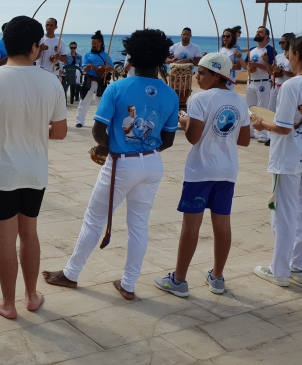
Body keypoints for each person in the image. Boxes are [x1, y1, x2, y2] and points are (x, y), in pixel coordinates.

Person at [42, 29, 179, 301]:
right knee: (139, 225)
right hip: (153, 163)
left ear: (131, 57)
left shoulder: (117, 88)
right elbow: (168, 139)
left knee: (94, 219)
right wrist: (144, 149)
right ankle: (128, 284)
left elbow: (97, 132)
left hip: (122, 163)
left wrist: (113, 147)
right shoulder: (170, 94)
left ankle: (71, 273)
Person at [0, 15, 67, 319]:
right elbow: (60, 132)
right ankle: (31, 296)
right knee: (30, 233)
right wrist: (35, 129)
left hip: (1, 171)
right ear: (36, 46)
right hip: (34, 170)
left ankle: (8, 304)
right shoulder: (51, 81)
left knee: (6, 239)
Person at [154, 53, 251, 297]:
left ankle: (179, 280)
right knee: (222, 225)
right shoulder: (239, 101)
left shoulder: (199, 99)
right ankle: (217, 277)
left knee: (191, 226)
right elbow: (244, 140)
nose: (196, 76)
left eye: (202, 72)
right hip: (227, 172)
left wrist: (185, 121)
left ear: (217, 76)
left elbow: (193, 138)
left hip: (200, 172)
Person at [252, 36, 302, 288]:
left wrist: (261, 124)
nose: (288, 58)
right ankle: (298, 265)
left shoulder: (292, 86)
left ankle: (279, 270)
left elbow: (283, 127)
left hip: (289, 158)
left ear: (297, 55)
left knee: (283, 214)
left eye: (290, 54)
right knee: (299, 213)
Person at [242, 26, 275, 143]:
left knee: (262, 108)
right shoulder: (252, 50)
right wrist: (241, 59)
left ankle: (263, 134)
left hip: (263, 82)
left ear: (267, 37)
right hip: (251, 81)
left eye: (260, 32)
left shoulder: (270, 50)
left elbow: (272, 70)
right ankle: (250, 131)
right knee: (249, 108)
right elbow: (245, 65)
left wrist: (257, 65)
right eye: (257, 31)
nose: (257, 33)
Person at [75, 31, 114, 128]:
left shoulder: (106, 55)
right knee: (84, 101)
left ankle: (101, 123)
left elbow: (112, 68)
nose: (93, 45)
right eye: (92, 43)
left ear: (100, 43)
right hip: (89, 80)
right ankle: (79, 121)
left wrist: (106, 68)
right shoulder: (88, 55)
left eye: (95, 43)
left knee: (101, 103)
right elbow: (84, 69)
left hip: (101, 82)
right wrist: (88, 67)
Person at [269, 33, 296, 113]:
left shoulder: (294, 58)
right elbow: (273, 72)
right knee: (271, 111)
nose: (281, 44)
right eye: (280, 42)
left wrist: (281, 71)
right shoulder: (278, 57)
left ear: (289, 42)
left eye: (283, 42)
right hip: (275, 87)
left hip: (286, 89)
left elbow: (295, 74)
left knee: (283, 111)